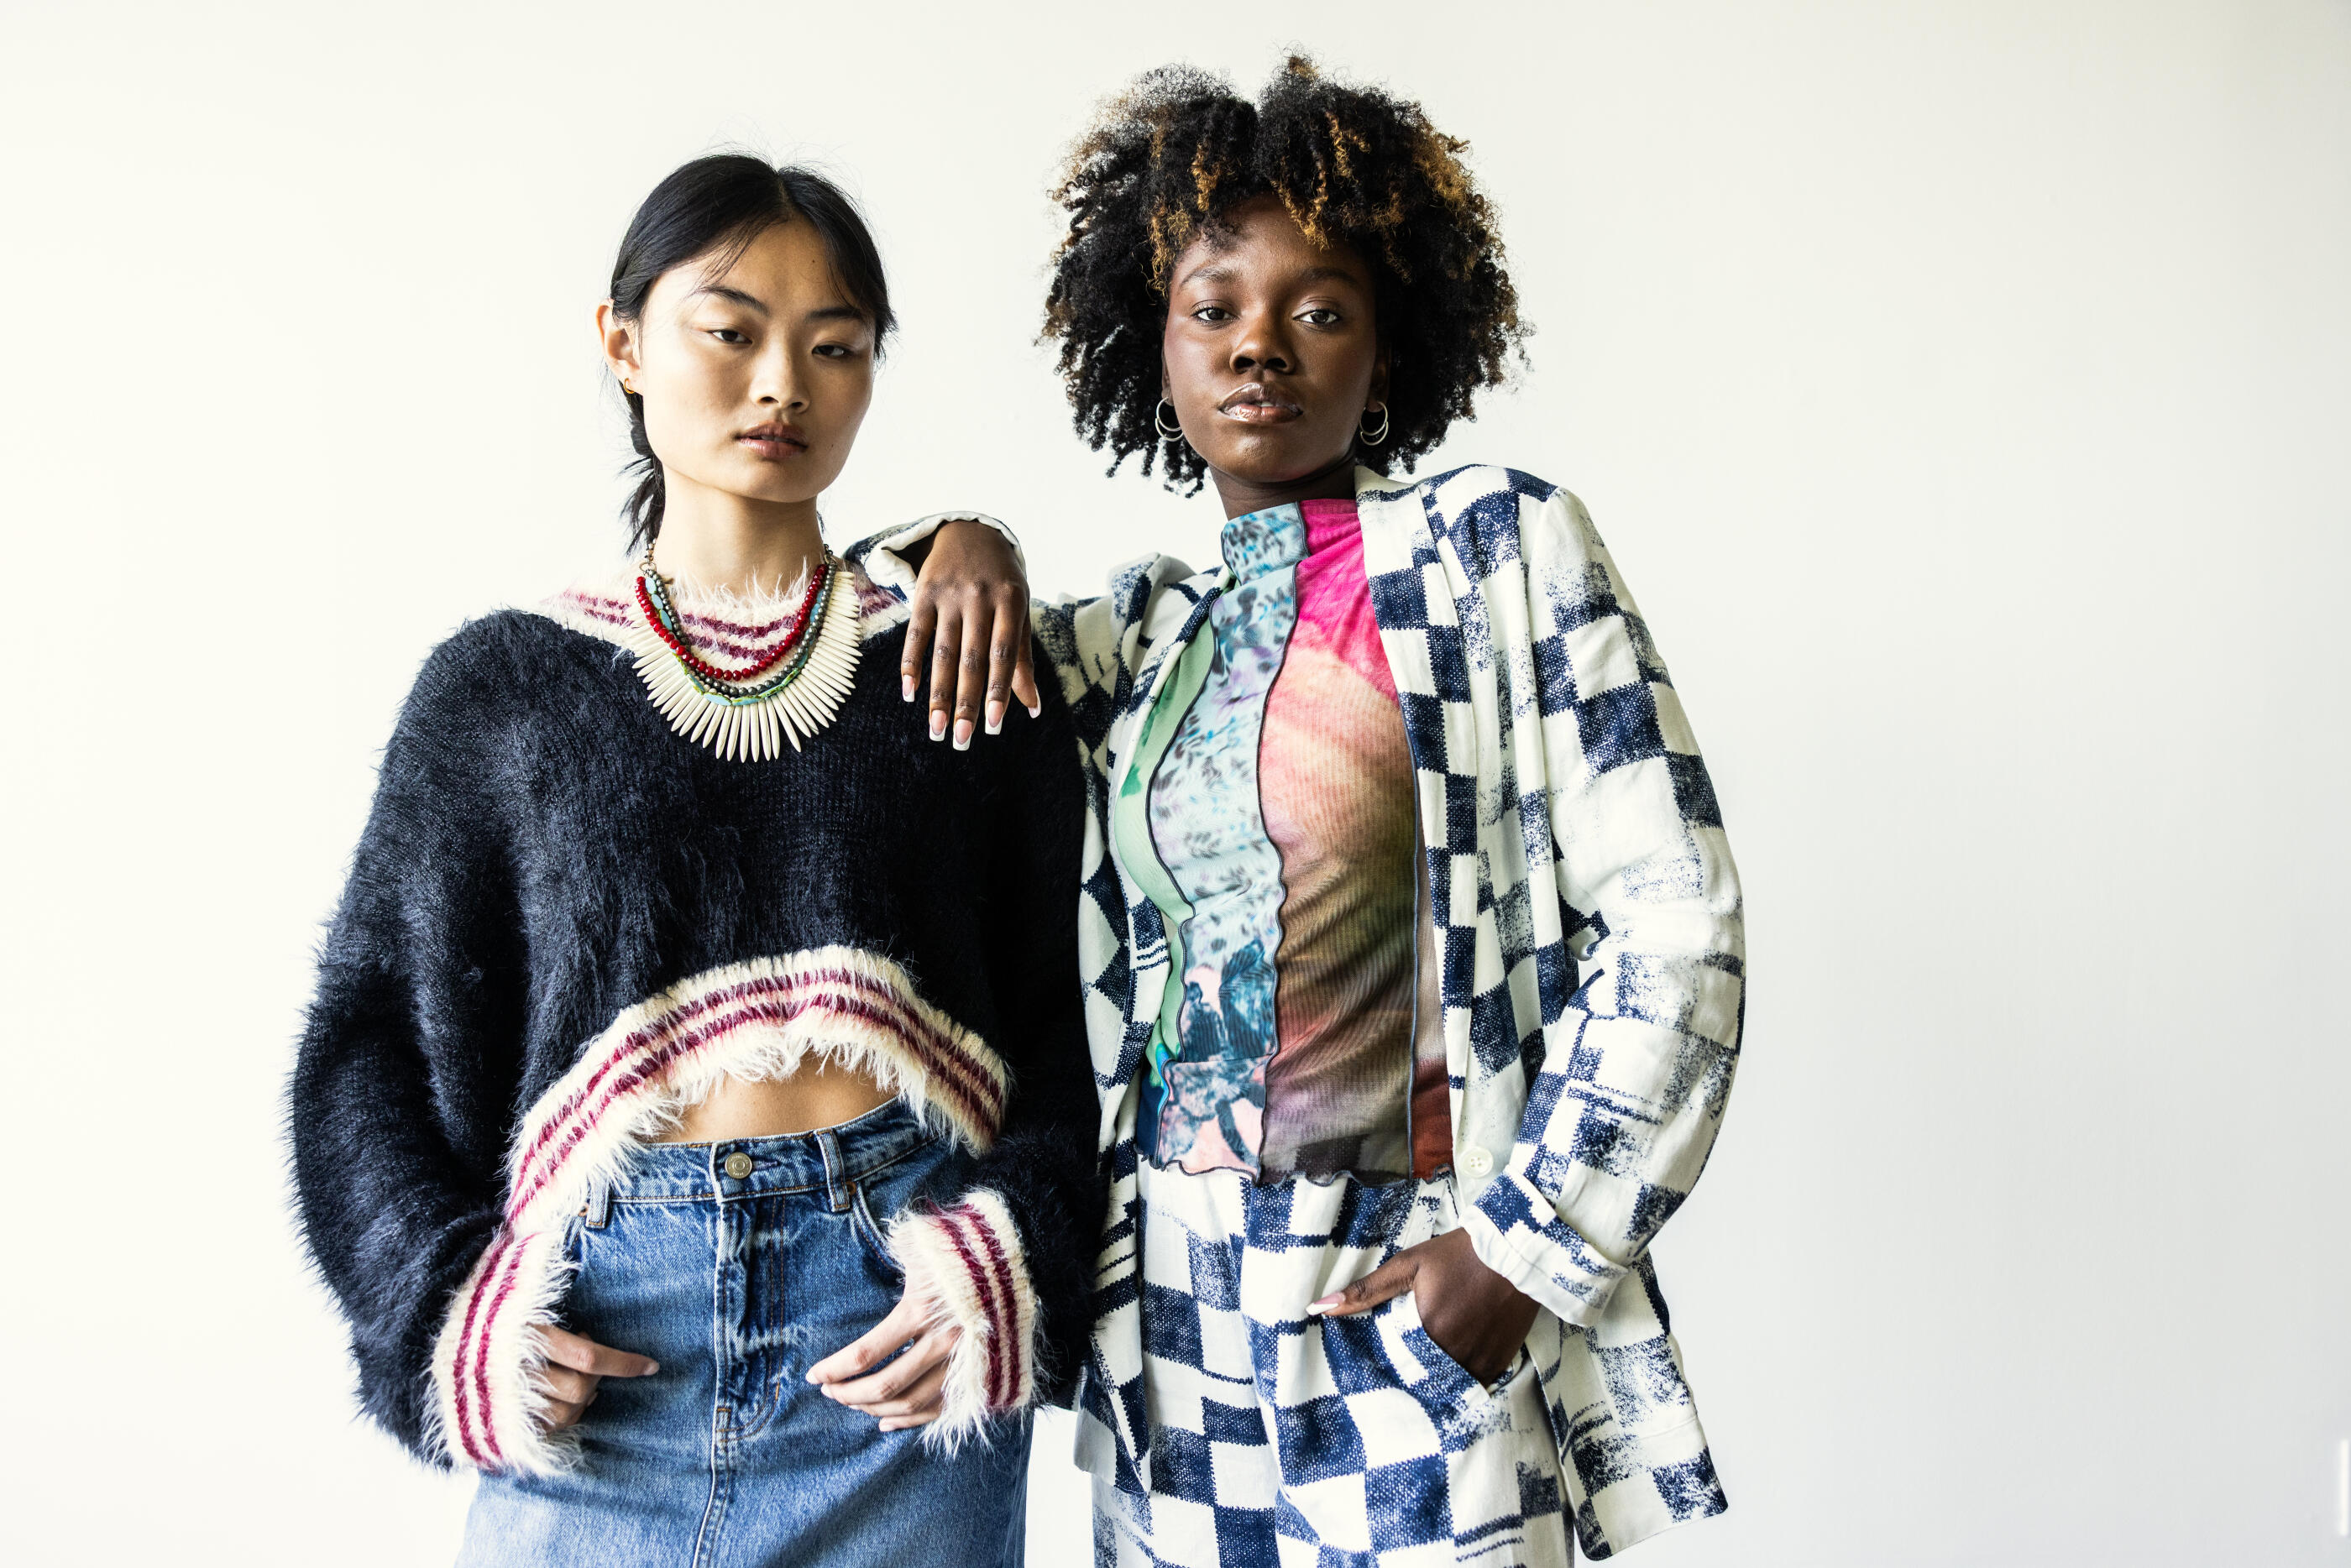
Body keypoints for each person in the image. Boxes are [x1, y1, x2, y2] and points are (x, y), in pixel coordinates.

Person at [870, 59, 1746, 1565]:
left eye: (1318, 310)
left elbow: (1681, 925)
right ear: (1154, 347)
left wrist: (1524, 1252)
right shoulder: (1140, 639)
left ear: (1386, 347)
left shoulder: (1494, 553)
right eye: (1212, 308)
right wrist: (962, 537)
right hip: (1175, 1329)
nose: (1258, 346)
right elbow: (868, 643)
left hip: (1412, 1290)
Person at [291, 154, 1092, 1568]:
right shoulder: (501, 691)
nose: (782, 384)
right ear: (622, 343)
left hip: (900, 1350)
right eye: (730, 331)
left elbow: (1074, 1021)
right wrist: (446, 1308)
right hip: (599, 1368)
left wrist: (1008, 1263)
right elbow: (365, 1051)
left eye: (835, 346)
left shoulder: (960, 670)